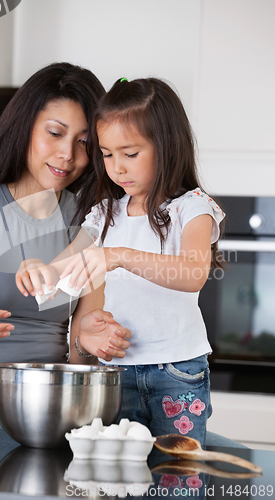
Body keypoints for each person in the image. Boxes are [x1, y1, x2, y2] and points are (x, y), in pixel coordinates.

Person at [22, 77, 225, 447]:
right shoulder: (104, 214)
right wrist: (41, 271)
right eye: (107, 154)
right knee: (119, 475)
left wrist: (118, 256)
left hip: (177, 371)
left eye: (130, 154)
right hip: (115, 371)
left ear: (167, 146)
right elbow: (65, 266)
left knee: (178, 475)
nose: (117, 168)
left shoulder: (192, 208)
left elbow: (194, 274)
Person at [0, 63, 130, 429]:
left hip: (58, 406)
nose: (68, 155)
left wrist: (89, 341)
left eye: (83, 143)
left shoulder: (88, 222)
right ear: (24, 126)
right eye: (55, 133)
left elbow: (78, 345)